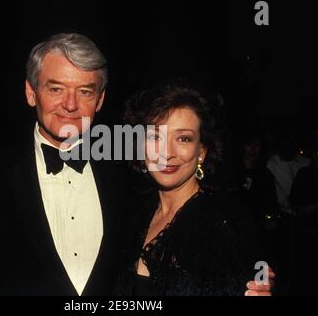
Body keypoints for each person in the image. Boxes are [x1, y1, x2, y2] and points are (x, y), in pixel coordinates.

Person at [0, 33, 272, 296]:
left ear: (100, 100)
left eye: (85, 91)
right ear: (31, 92)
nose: (71, 104)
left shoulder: (122, 177)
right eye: (56, 88)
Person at [117, 79, 274, 296]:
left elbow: (260, 272)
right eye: (155, 136)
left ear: (201, 152)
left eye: (183, 138)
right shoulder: (132, 216)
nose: (167, 152)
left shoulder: (226, 219)